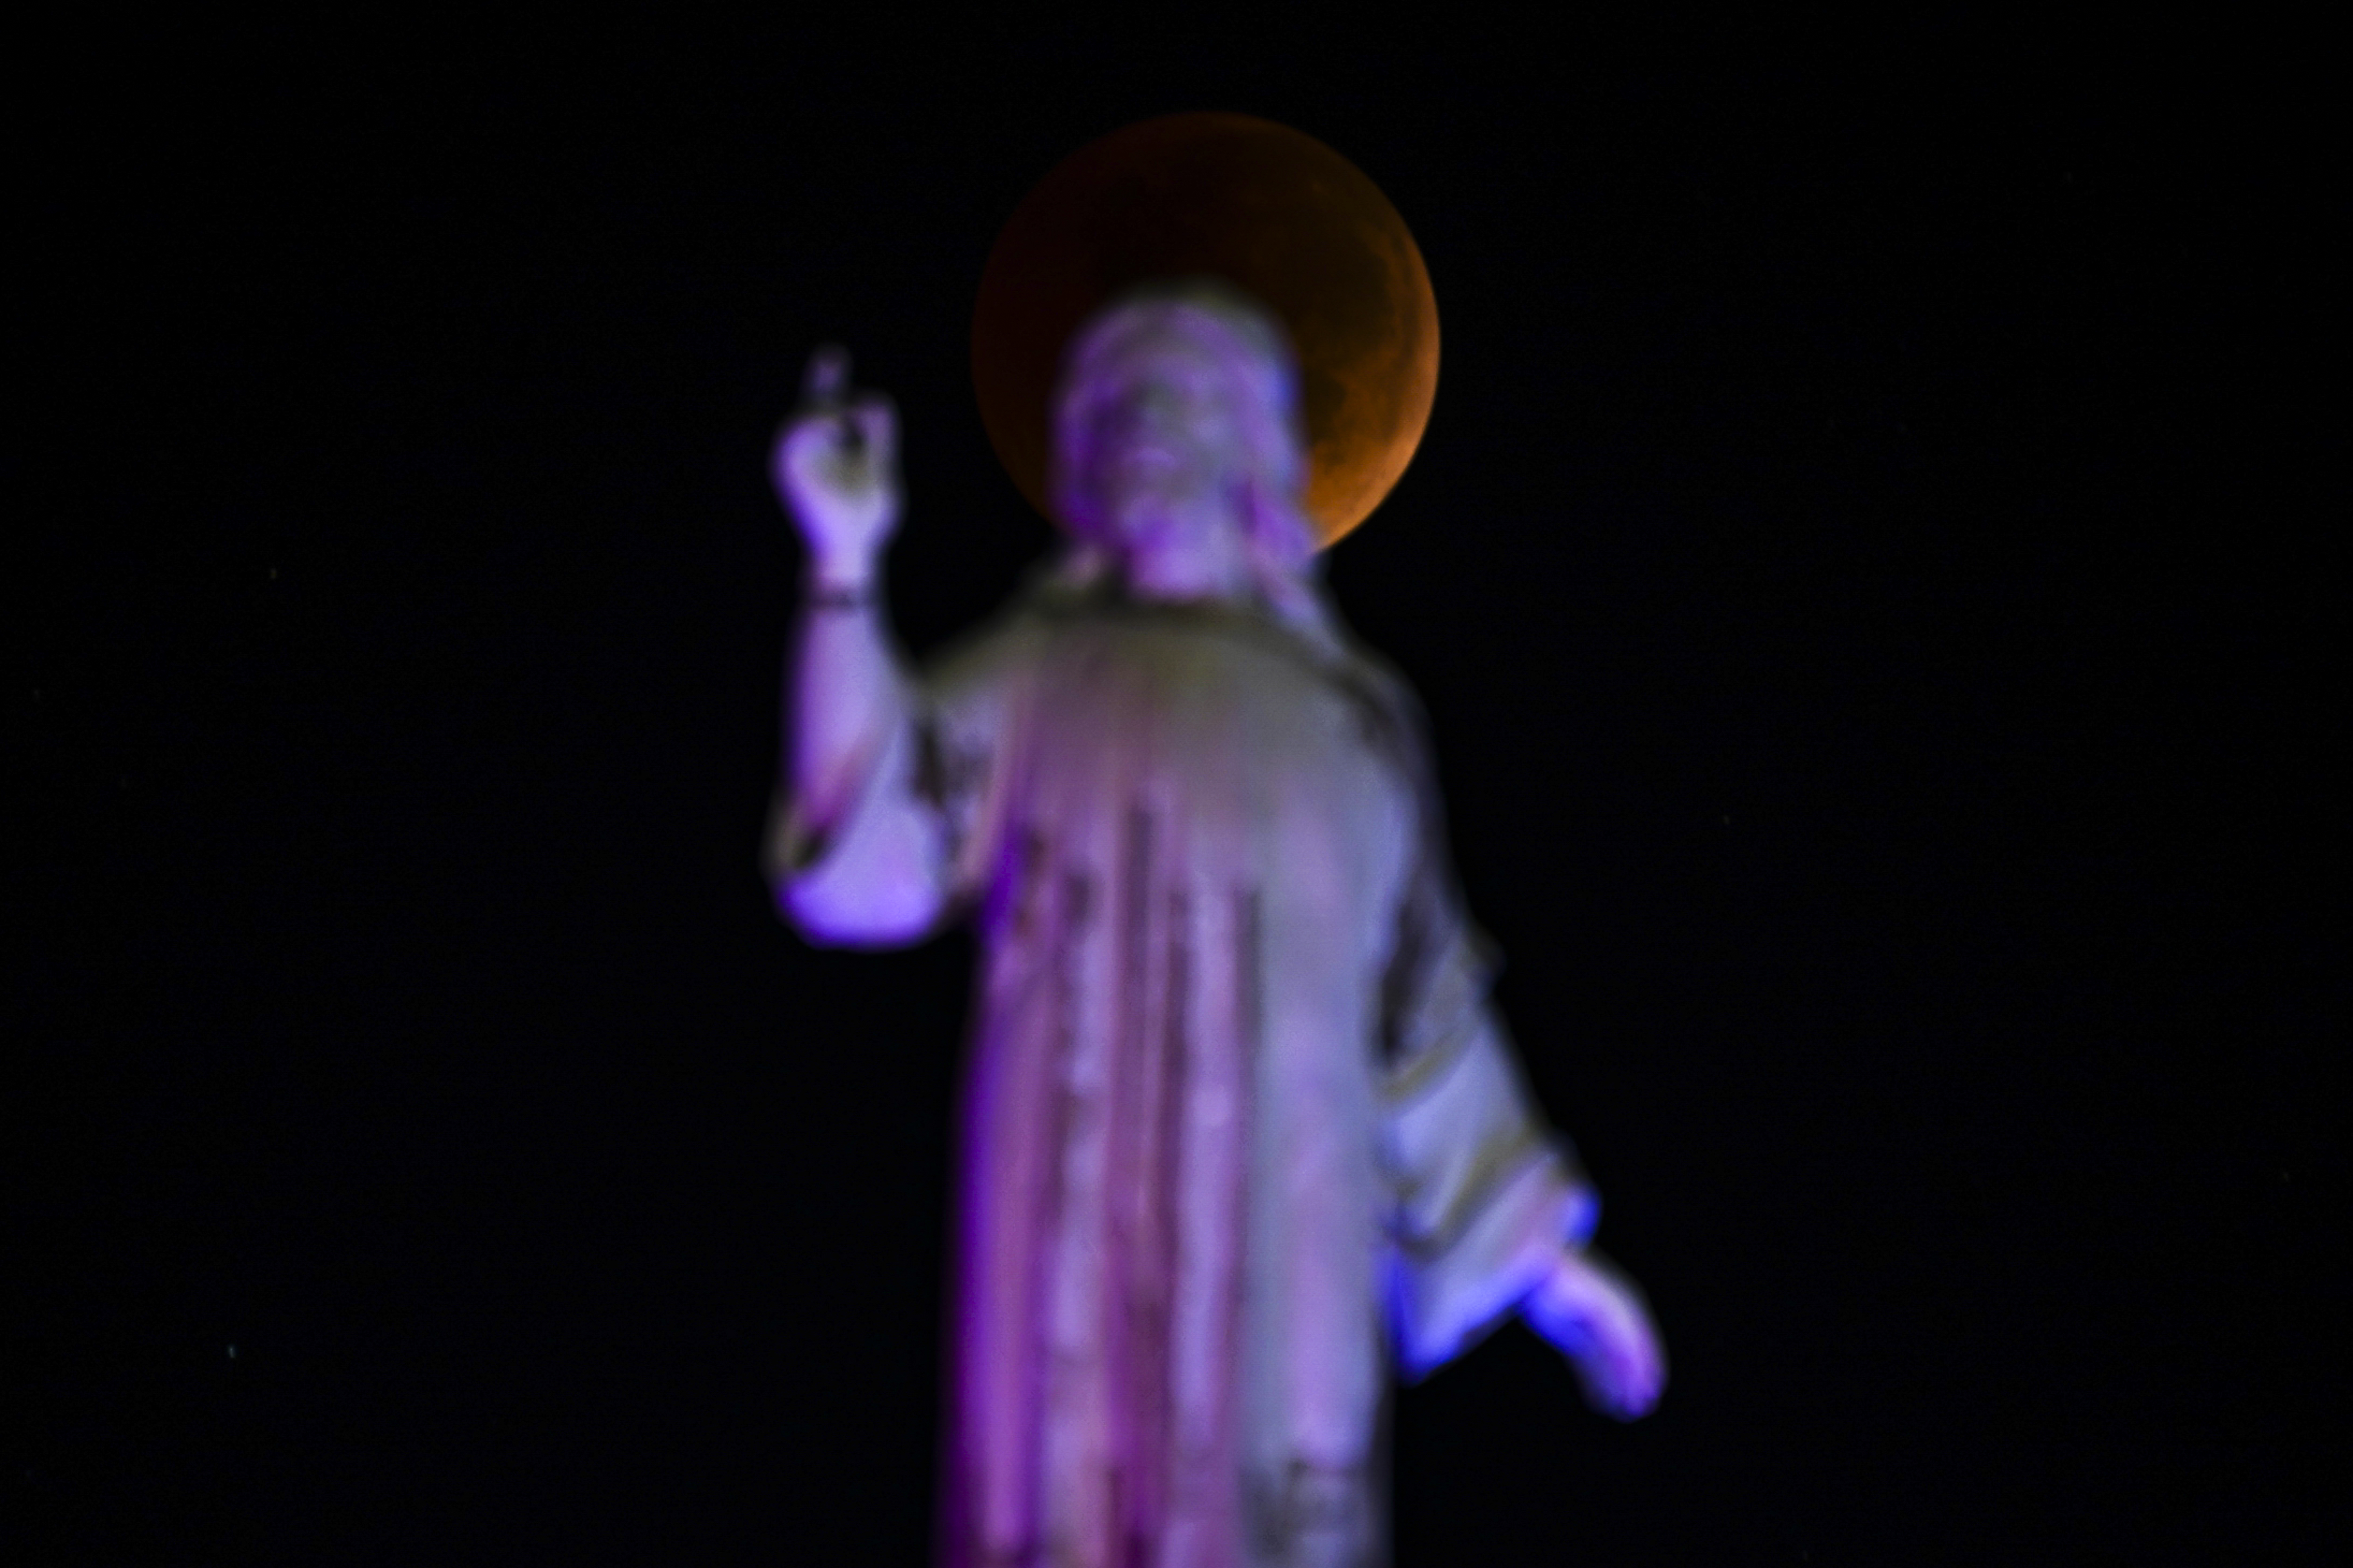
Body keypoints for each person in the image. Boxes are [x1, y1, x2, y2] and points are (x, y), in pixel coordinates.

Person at [766, 281, 1663, 1568]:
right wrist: (844, 566)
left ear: (1250, 450)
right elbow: (862, 836)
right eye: (1114, 411)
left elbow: (1420, 1015)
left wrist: (1545, 1267)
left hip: (1282, 1254)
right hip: (1066, 1233)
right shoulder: (1039, 672)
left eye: (1177, 403)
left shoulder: (1351, 723)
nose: (1142, 433)